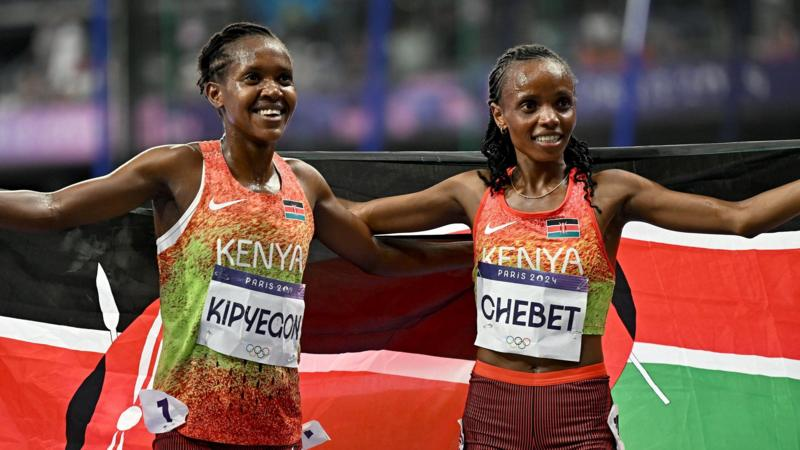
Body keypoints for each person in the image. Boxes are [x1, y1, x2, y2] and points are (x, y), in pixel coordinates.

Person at [0, 22, 470, 449]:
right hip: (191, 430)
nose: (273, 91)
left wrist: (480, 253)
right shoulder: (180, 169)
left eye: (284, 79)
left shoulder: (304, 183)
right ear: (215, 93)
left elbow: (375, 256)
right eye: (253, 79)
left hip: (278, 432)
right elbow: (52, 208)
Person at [348, 44, 800, 449]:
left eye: (562, 103)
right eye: (530, 105)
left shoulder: (609, 195)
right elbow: (357, 219)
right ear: (499, 115)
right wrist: (285, 181)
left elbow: (740, 218)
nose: (550, 118)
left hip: (579, 414)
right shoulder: (473, 193)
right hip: (493, 411)